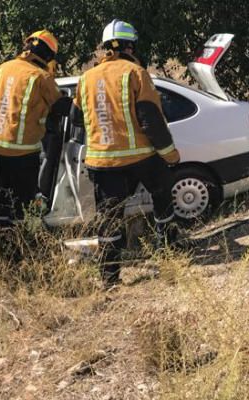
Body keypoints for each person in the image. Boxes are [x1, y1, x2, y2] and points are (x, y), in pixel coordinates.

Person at [72, 19, 180, 286]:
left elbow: (76, 119)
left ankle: (109, 278)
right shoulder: (135, 72)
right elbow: (151, 119)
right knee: (162, 197)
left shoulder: (86, 78)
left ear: (106, 47)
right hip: (141, 158)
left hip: (101, 163)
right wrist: (170, 156)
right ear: (130, 46)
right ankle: (169, 253)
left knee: (108, 220)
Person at [0, 30, 63, 225]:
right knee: (24, 202)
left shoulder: (3, 68)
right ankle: (22, 244)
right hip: (23, 150)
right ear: (47, 55)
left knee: (2, 197)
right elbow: (60, 105)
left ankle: (1, 240)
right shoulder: (41, 76)